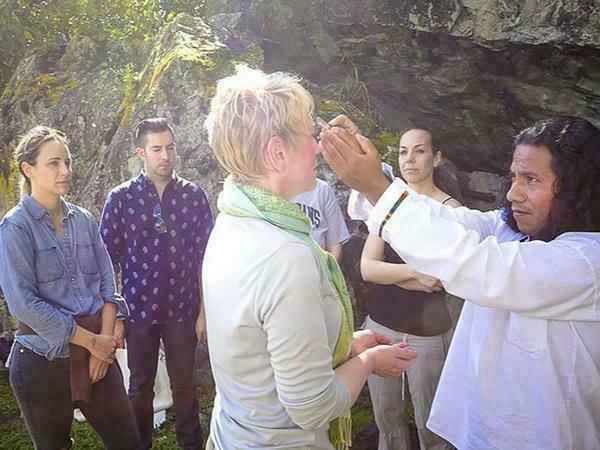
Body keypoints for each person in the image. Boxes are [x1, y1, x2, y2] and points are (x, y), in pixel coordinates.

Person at [320, 116, 600, 449]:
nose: (513, 193)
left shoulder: (587, 262)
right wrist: (373, 176)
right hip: (478, 434)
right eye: (514, 177)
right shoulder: (509, 228)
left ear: (577, 187)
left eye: (531, 179)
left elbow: (478, 265)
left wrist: (377, 188)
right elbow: (446, 222)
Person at [202, 65, 418, 450]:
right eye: (309, 135)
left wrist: (344, 345)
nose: (318, 146)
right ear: (277, 152)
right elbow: (313, 407)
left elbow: (261, 348)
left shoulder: (232, 221)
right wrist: (367, 363)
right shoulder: (287, 255)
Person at [0, 126, 140, 449]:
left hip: (97, 355)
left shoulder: (85, 220)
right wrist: (92, 342)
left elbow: (108, 282)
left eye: (68, 162)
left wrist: (103, 345)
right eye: (54, 163)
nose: (65, 171)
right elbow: (23, 304)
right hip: (41, 363)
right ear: (28, 169)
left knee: (128, 443)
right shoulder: (15, 227)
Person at [100, 118, 213, 450]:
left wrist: (204, 312)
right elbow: (106, 261)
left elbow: (207, 258)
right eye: (157, 149)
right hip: (138, 310)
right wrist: (115, 315)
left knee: (184, 387)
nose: (165, 156)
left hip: (183, 308)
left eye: (170, 147)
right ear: (141, 153)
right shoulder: (120, 198)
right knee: (139, 387)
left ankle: (191, 446)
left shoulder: (193, 196)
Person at [360, 129, 460, 450]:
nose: (410, 160)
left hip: (428, 334)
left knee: (432, 424)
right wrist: (414, 272)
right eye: (403, 152)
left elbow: (442, 279)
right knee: (387, 422)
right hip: (380, 327)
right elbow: (367, 268)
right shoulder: (391, 203)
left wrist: (392, 274)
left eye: (419, 151)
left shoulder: (452, 210)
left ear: (436, 157)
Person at [293, 178, 350, 262]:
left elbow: (334, 248)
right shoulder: (269, 192)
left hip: (318, 269)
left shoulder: (322, 189)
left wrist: (326, 272)